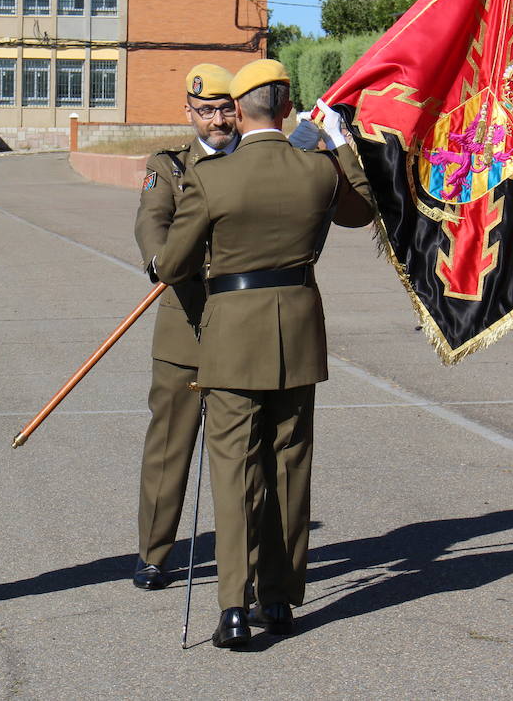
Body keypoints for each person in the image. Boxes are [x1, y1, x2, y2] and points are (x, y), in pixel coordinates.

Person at [154, 59, 373, 648]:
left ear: (239, 107)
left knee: (233, 469)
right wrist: (338, 141)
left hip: (231, 333)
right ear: (284, 107)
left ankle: (233, 604)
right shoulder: (318, 169)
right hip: (297, 327)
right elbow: (362, 210)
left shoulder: (212, 176)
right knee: (289, 463)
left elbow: (172, 265)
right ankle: (279, 598)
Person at [131, 64, 238, 591]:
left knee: (240, 449)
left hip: (243, 326)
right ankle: (154, 551)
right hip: (185, 324)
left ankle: (246, 557)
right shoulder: (170, 165)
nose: (217, 120)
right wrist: (161, 261)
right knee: (170, 443)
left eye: (225, 108)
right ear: (189, 112)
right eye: (206, 110)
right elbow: (153, 219)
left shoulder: (257, 158)